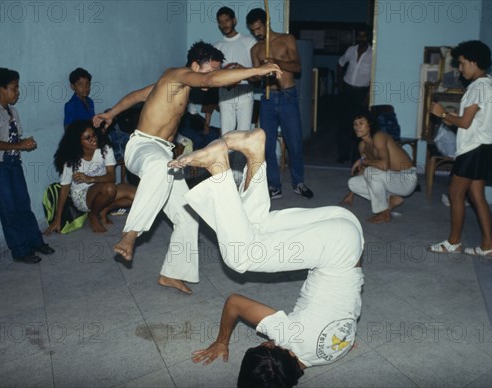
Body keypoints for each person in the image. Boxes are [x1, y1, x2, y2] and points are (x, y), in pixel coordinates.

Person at [167, 130, 363, 386]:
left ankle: (254, 150)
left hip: (349, 234)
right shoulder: (288, 337)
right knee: (241, 258)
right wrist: (221, 341)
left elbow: (343, 331)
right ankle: (218, 167)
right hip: (334, 245)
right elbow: (234, 302)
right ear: (272, 346)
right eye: (265, 344)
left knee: (249, 228)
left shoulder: (333, 352)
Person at [92, 41, 282, 294]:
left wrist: (111, 113)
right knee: (159, 165)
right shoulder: (175, 74)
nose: (208, 79)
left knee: (188, 216)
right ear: (194, 65)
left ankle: (173, 273)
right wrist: (256, 71)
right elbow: (214, 80)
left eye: (214, 70)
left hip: (163, 155)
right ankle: (131, 233)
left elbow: (137, 95)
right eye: (208, 70)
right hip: (143, 148)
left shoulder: (171, 85)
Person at [429, 40, 492, 258]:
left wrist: (442, 113)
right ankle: (487, 246)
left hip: (472, 150)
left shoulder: (477, 87)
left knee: (455, 193)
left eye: (461, 63)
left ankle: (453, 242)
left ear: (473, 61)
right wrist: (450, 118)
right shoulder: (487, 83)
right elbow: (469, 121)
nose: (460, 69)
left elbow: (465, 123)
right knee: (477, 195)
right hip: (483, 147)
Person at [0, 68, 55, 264]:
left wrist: (24, 142)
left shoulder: (12, 111)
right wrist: (19, 145)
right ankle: (20, 250)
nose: (17, 91)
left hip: (14, 163)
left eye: (17, 87)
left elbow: (14, 137)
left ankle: (35, 241)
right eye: (14, 88)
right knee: (8, 209)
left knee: (23, 204)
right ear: (0, 90)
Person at [247, 8, 314, 200]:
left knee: (294, 143)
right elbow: (256, 80)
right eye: (253, 31)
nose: (257, 33)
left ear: (267, 23)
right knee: (267, 146)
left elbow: (297, 67)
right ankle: (274, 186)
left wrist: (275, 62)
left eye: (259, 28)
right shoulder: (256, 49)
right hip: (268, 99)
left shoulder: (287, 39)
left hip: (288, 96)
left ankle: (298, 183)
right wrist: (252, 74)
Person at [45, 120, 136, 234]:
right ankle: (93, 215)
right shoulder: (71, 161)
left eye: (94, 135)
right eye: (88, 138)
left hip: (104, 186)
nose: (94, 139)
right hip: (83, 196)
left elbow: (111, 177)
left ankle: (104, 209)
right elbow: (64, 190)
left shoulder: (105, 148)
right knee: (109, 188)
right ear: (78, 142)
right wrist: (57, 219)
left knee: (138, 197)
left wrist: (90, 178)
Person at [340, 111, 417, 224]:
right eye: (355, 124)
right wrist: (350, 195)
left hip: (406, 179)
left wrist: (362, 161)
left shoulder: (379, 136)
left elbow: (384, 165)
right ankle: (392, 199)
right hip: (390, 178)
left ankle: (384, 212)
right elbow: (364, 169)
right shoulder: (362, 145)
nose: (357, 127)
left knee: (371, 172)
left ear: (370, 124)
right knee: (353, 183)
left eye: (361, 123)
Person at [215, 6, 257, 184]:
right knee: (226, 135)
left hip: (245, 91)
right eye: (221, 22)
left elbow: (255, 69)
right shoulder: (218, 46)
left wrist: (241, 71)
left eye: (227, 20)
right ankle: (227, 176)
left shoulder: (249, 42)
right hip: (226, 93)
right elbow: (215, 74)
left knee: (243, 134)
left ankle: (240, 175)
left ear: (234, 20)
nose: (224, 24)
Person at [337, 28, 373, 163]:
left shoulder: (373, 53)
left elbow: (374, 78)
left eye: (364, 36)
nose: (362, 39)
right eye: (359, 36)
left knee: (359, 126)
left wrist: (368, 96)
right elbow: (340, 64)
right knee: (344, 124)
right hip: (347, 90)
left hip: (361, 93)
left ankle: (356, 157)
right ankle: (343, 155)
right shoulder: (351, 50)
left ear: (368, 38)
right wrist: (339, 84)